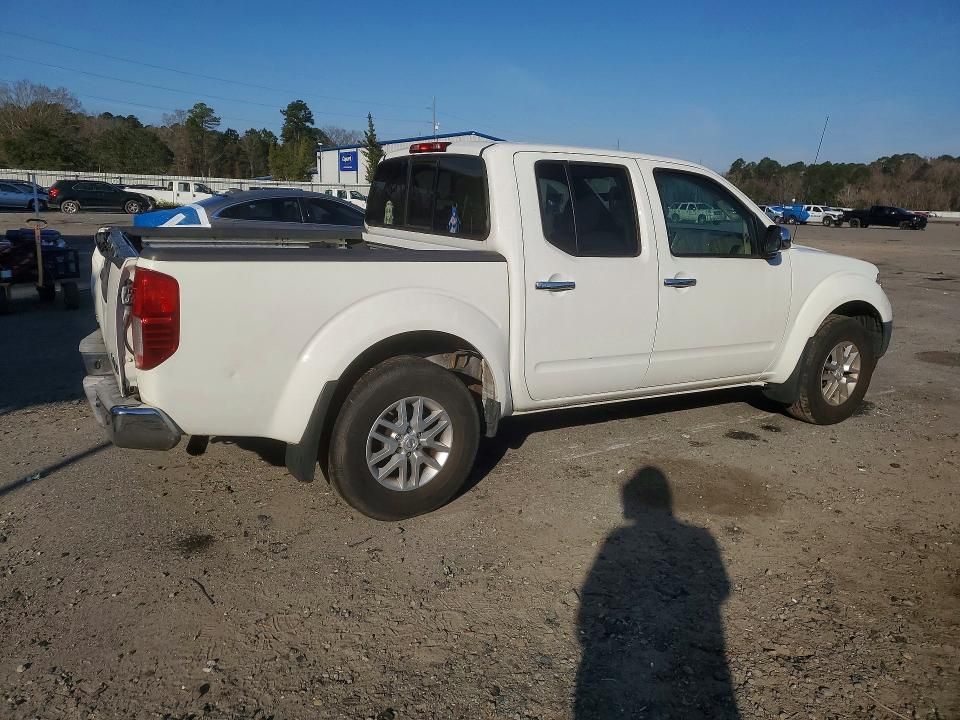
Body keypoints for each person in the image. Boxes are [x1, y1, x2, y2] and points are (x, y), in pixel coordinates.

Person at [574, 467, 740, 719]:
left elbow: (593, 593)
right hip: (697, 646)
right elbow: (721, 588)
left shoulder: (619, 537)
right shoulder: (700, 537)